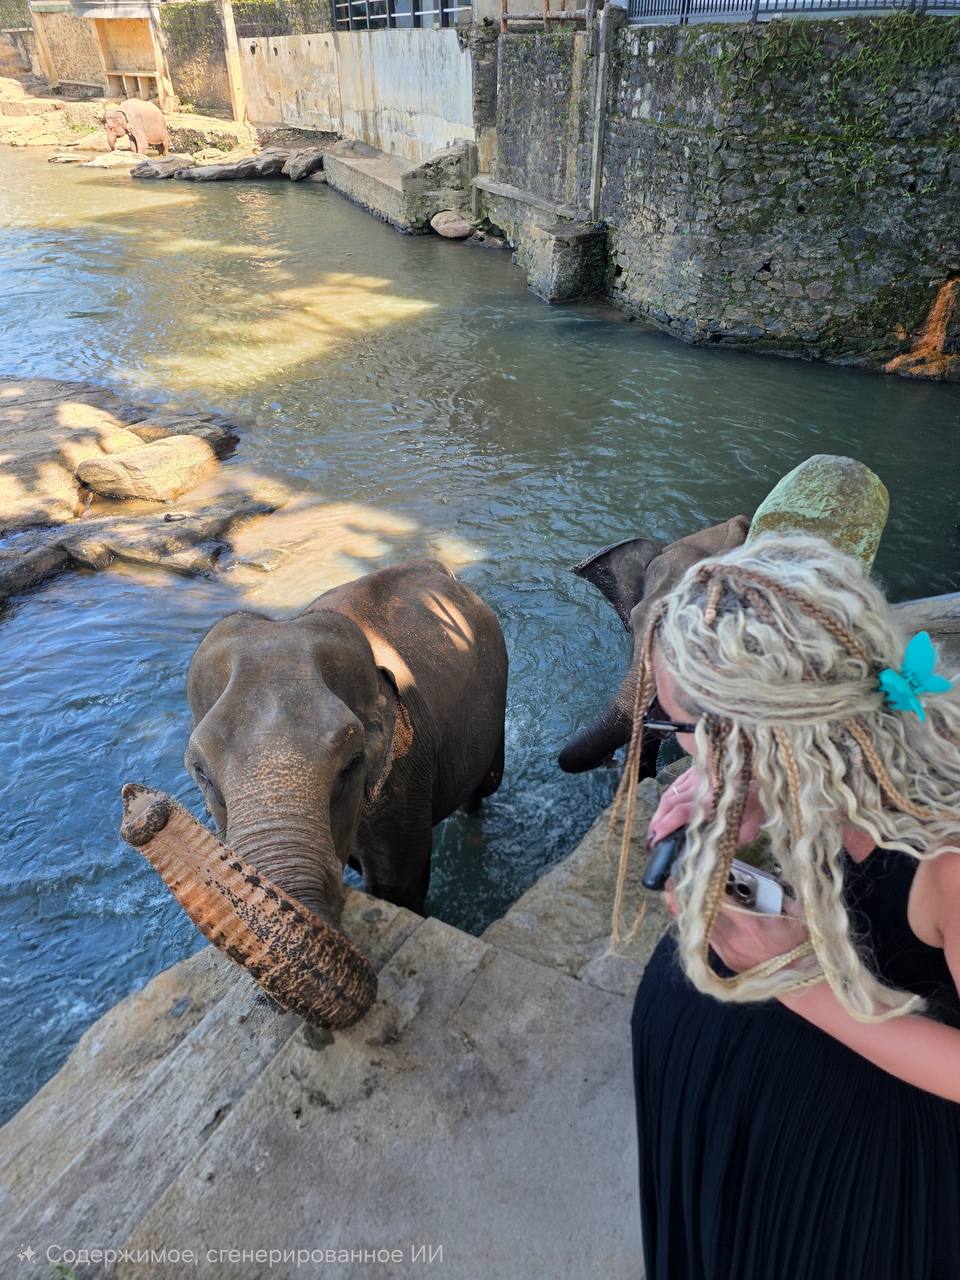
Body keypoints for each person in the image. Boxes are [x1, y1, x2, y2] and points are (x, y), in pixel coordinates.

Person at [610, 531, 960, 1280]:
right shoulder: (849, 759)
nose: (683, 753)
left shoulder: (949, 864)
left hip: (894, 1156)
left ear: (771, 731)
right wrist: (760, 800)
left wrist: (797, 977)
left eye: (684, 731)